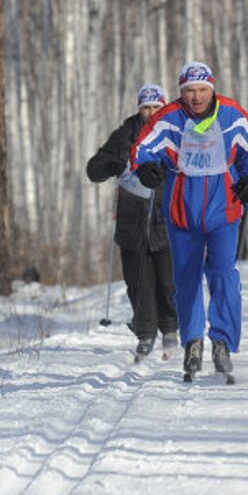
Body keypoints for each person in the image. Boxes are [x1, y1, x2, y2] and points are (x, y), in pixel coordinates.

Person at [131, 61, 248, 380]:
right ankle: (192, 342)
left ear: (212, 88)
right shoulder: (168, 117)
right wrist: (145, 169)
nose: (196, 97)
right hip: (181, 210)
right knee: (186, 279)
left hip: (224, 207)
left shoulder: (231, 114)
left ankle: (222, 341)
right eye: (190, 90)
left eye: (202, 90)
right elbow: (141, 150)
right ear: (181, 92)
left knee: (223, 274)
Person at [86, 84, 178, 360]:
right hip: (131, 220)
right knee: (138, 280)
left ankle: (170, 329)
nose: (150, 113)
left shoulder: (173, 132)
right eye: (146, 107)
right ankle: (145, 332)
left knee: (167, 280)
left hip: (166, 218)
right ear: (139, 108)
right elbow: (94, 168)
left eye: (156, 107)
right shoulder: (124, 134)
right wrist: (109, 166)